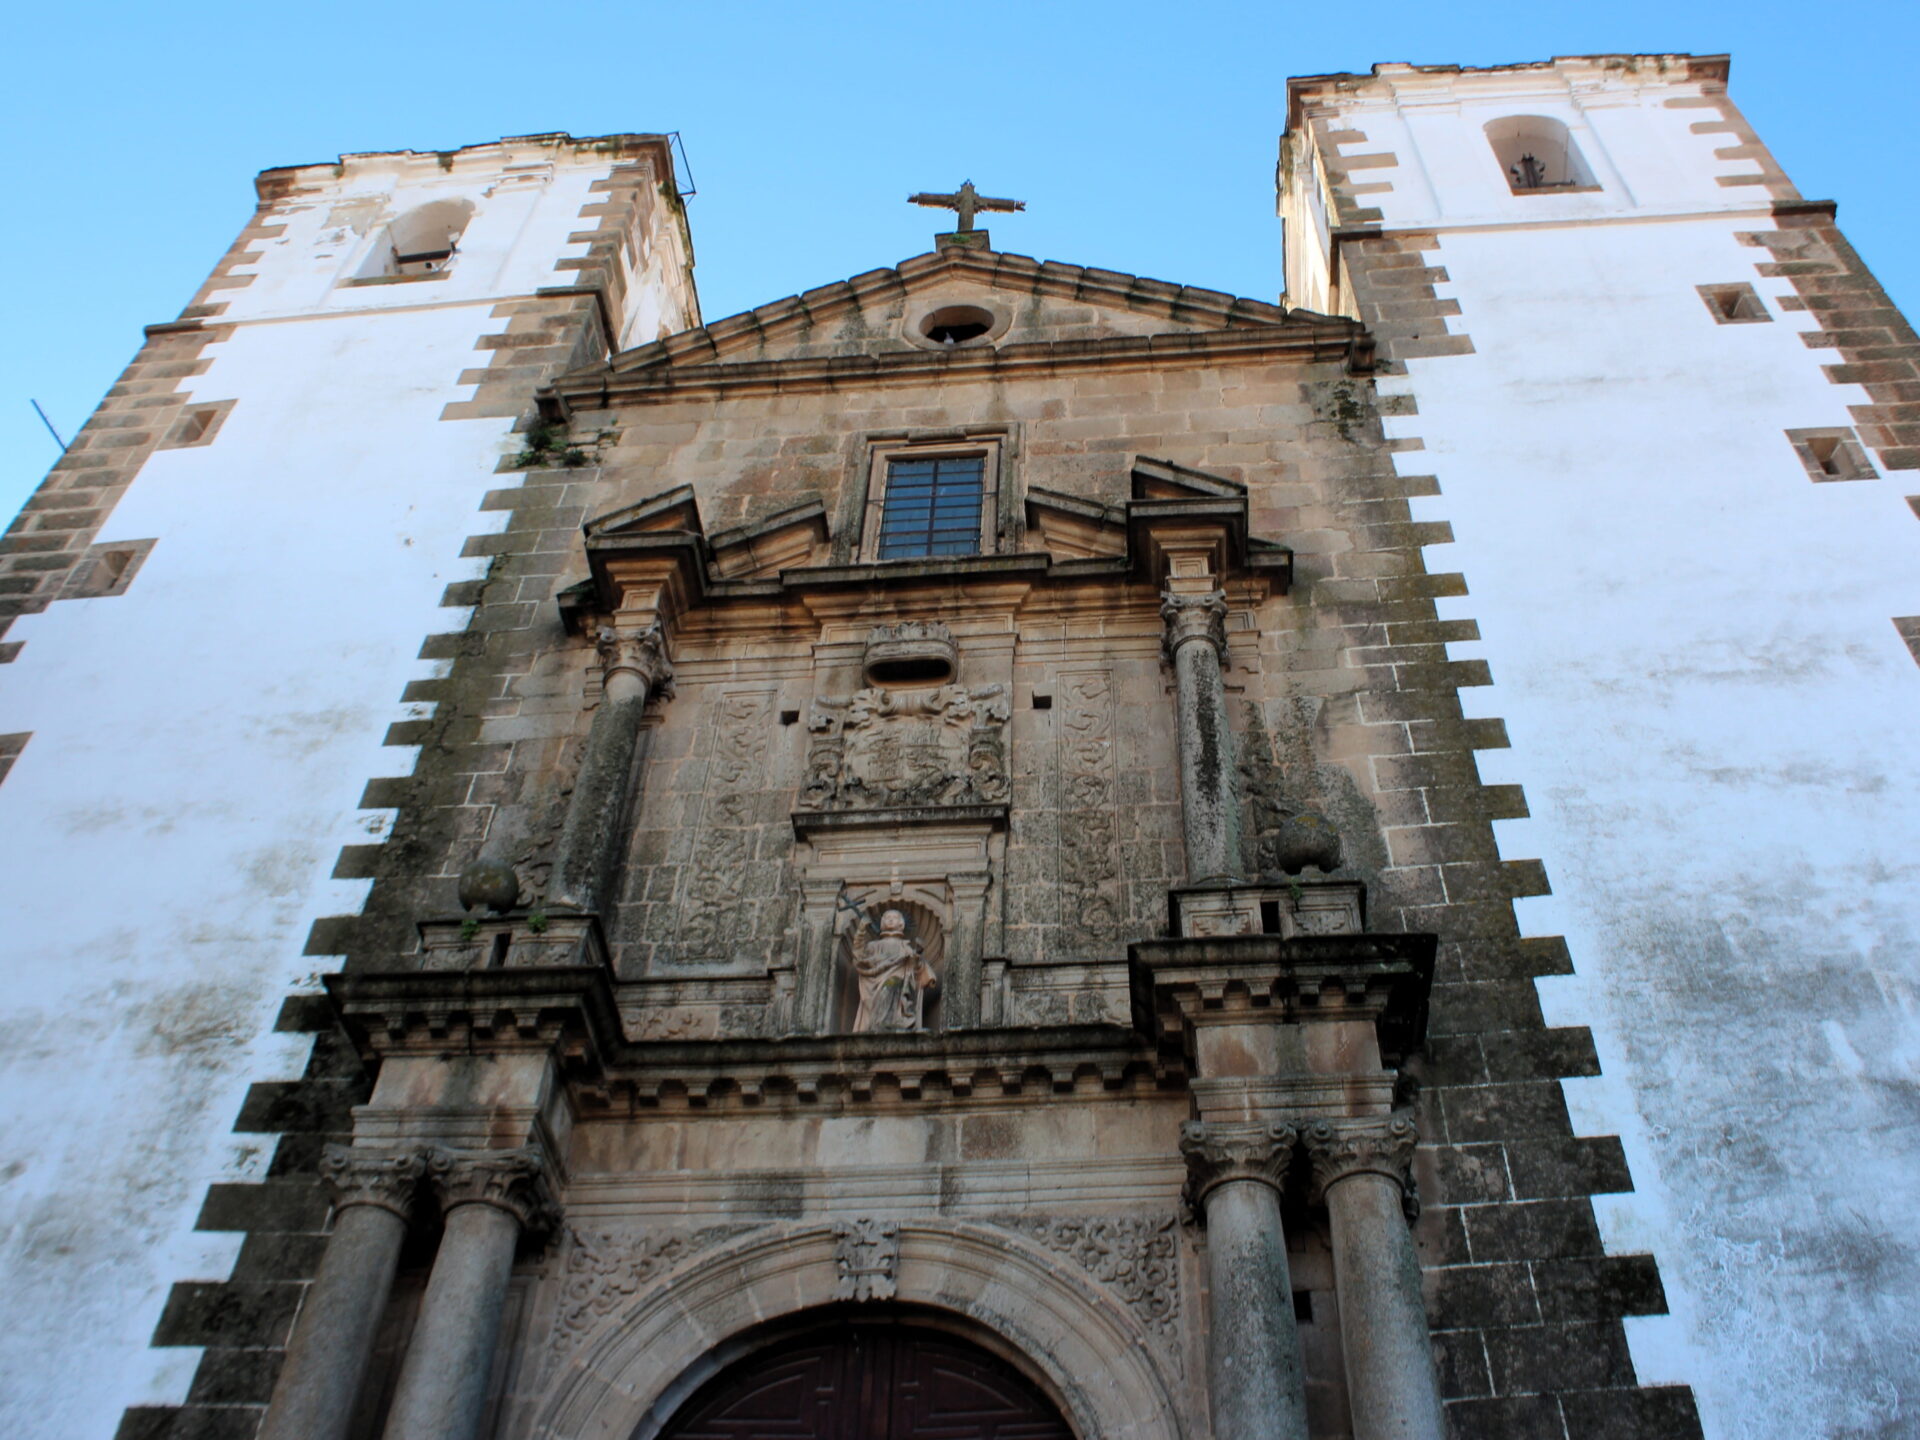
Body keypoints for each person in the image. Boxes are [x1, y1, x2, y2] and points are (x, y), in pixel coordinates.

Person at [847, 906, 939, 1033]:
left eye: (894, 918)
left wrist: (917, 955)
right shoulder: (874, 946)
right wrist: (861, 930)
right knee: (889, 987)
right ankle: (879, 1024)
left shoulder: (905, 947)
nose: (890, 920)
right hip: (875, 986)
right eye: (887, 918)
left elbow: (916, 970)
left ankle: (893, 1022)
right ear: (882, 922)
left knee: (893, 984)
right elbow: (859, 955)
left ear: (901, 923)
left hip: (900, 986)